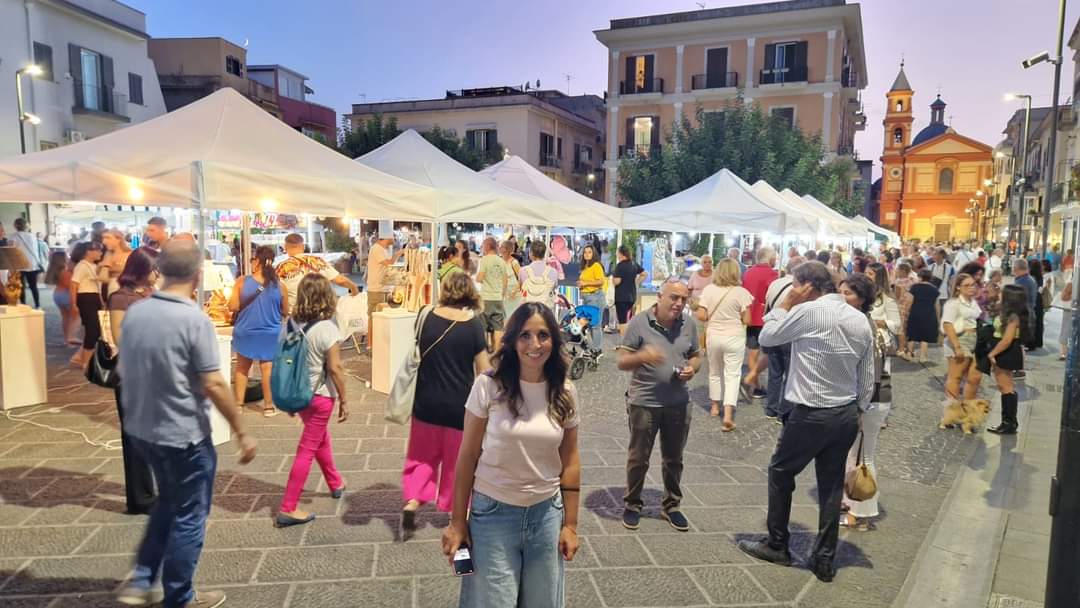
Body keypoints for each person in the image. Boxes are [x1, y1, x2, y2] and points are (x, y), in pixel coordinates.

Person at [115, 240, 256, 608]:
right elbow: (213, 383)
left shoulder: (136, 313)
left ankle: (144, 577)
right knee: (190, 517)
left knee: (167, 501)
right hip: (183, 435)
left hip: (143, 430)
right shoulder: (194, 320)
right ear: (197, 275)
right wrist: (241, 430)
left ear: (159, 272)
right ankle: (179, 596)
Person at [736, 261, 874, 583]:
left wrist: (786, 303)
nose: (791, 290)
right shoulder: (860, 321)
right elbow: (867, 375)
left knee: (781, 472)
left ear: (807, 287)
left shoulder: (809, 312)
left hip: (811, 412)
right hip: (845, 412)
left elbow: (767, 337)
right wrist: (859, 409)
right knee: (830, 486)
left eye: (795, 285)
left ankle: (777, 544)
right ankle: (824, 559)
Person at [441, 303, 581, 607]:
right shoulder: (489, 386)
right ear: (512, 340)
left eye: (543, 335)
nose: (534, 345)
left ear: (554, 341)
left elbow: (570, 460)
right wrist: (457, 522)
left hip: (546, 516)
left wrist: (570, 524)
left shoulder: (565, 392)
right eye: (525, 335)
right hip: (493, 515)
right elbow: (467, 457)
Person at [402, 273, 490, 537]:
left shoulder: (425, 316)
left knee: (420, 456)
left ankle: (413, 500)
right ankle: (455, 510)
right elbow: (483, 371)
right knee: (457, 462)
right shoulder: (473, 325)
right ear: (470, 293)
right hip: (459, 408)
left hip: (425, 403)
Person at [617, 280, 702, 532]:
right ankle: (632, 504)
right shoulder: (640, 322)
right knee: (638, 457)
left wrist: (692, 369)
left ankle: (671, 506)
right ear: (660, 296)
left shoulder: (689, 324)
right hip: (644, 402)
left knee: (674, 458)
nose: (678, 304)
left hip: (678, 402)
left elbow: (697, 355)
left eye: (683, 299)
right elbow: (621, 360)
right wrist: (643, 356)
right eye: (673, 297)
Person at [275, 274, 349, 528]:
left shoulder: (290, 324)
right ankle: (288, 507)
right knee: (307, 449)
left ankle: (335, 482)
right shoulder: (327, 328)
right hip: (320, 396)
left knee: (319, 439)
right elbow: (336, 368)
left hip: (299, 393)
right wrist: (344, 399)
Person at [107, 248, 159, 515]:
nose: (156, 274)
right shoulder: (120, 298)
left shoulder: (151, 293)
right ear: (140, 270)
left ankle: (152, 491)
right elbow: (119, 338)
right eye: (153, 269)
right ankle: (141, 498)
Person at [837, 273, 887, 530]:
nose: (842, 297)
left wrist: (860, 406)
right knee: (853, 454)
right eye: (840, 291)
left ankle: (861, 514)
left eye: (848, 293)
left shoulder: (862, 326)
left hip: (869, 399)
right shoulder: (866, 322)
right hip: (873, 397)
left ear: (862, 299)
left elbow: (871, 371)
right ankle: (850, 499)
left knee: (863, 458)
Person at [229, 246, 288, 418]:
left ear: (256, 261)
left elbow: (233, 306)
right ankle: (268, 407)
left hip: (245, 331)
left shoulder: (241, 281)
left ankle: (238, 405)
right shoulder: (280, 285)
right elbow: (285, 310)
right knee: (267, 370)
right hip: (270, 333)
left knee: (241, 368)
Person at [695, 258, 752, 429]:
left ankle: (714, 407)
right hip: (734, 337)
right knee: (733, 375)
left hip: (714, 337)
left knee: (714, 372)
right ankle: (727, 415)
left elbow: (702, 316)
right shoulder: (741, 292)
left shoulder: (709, 290)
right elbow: (747, 319)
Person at [277, 233, 359, 314]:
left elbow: (276, 292)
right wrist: (354, 288)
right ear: (303, 246)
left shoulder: (281, 267)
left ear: (285, 247)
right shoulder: (317, 261)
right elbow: (341, 280)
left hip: (295, 314)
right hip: (318, 313)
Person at [986, 285, 1030, 435]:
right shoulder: (1011, 314)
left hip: (1006, 351)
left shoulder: (1013, 317)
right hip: (1005, 350)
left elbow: (1006, 340)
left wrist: (992, 353)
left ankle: (1008, 423)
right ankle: (1009, 422)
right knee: (1006, 385)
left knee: (1006, 386)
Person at [865, 263, 901, 430]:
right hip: (864, 342)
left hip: (881, 344)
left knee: (882, 381)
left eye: (870, 274)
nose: (867, 276)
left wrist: (880, 322)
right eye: (866, 273)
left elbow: (896, 325)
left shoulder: (888, 300)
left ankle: (881, 415)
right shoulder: (863, 296)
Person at [742, 247, 779, 399]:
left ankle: (755, 385)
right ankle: (753, 380)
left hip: (749, 316)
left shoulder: (748, 272)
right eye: (775, 257)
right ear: (770, 259)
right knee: (771, 353)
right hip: (765, 317)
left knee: (752, 352)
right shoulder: (772, 274)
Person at [941, 273, 983, 401]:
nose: (972, 288)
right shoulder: (953, 303)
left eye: (973, 285)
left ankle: (967, 410)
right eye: (967, 285)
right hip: (960, 338)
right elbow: (947, 324)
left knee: (974, 377)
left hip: (975, 338)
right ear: (958, 287)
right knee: (956, 376)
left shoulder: (973, 302)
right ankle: (951, 410)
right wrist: (957, 346)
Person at [69, 241, 104, 368]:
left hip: (93, 297)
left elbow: (98, 287)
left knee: (96, 329)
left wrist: (101, 302)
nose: (100, 253)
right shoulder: (82, 266)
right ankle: (86, 362)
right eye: (98, 250)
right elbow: (74, 284)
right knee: (92, 330)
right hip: (85, 297)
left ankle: (81, 357)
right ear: (89, 251)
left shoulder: (94, 266)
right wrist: (73, 303)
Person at [477, 237, 509, 351]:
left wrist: (479, 279)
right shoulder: (501, 261)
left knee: (483, 326)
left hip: (486, 298)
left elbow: (479, 278)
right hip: (498, 298)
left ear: (487, 246)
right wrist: (502, 294)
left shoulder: (485, 260)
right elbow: (505, 281)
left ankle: (485, 352)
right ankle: (497, 352)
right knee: (498, 327)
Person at [902, 269, 940, 363]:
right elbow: (937, 305)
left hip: (916, 313)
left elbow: (910, 300)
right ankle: (923, 356)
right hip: (929, 314)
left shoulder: (915, 287)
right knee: (925, 336)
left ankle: (909, 353)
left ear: (920, 277)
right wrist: (938, 318)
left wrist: (906, 311)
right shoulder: (934, 289)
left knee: (912, 333)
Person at [577, 244, 606, 355]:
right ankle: (595, 348)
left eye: (589, 252)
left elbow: (601, 281)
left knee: (595, 325)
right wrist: (581, 285)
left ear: (593, 254)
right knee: (589, 325)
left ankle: (596, 350)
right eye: (585, 252)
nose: (587, 254)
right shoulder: (585, 267)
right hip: (586, 297)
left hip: (595, 296)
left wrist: (586, 283)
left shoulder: (596, 266)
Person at [44, 250, 79, 345]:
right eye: (66, 256)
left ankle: (66, 338)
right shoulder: (66, 272)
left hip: (57, 294)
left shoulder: (55, 271)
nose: (68, 257)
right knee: (74, 317)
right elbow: (71, 286)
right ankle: (71, 337)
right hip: (66, 294)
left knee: (65, 318)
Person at [610, 245, 646, 335]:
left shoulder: (620, 266)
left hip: (621, 297)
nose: (616, 254)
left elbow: (617, 281)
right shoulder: (633, 264)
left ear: (621, 254)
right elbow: (644, 274)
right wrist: (636, 282)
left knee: (622, 322)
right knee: (628, 319)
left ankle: (624, 343)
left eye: (617, 252)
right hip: (632, 297)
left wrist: (613, 280)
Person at [11, 218, 45, 308]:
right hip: (32, 265)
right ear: (26, 226)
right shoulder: (32, 236)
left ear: (15, 226)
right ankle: (38, 305)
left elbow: (11, 251)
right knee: (33, 286)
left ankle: (23, 305)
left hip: (19, 265)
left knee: (21, 286)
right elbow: (35, 251)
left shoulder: (13, 236)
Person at [519, 240, 559, 310]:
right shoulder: (553, 272)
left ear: (530, 253)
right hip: (545, 310)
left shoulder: (523, 271)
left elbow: (520, 288)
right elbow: (554, 287)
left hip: (527, 310)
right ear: (544, 254)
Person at [99, 228, 133, 298]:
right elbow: (103, 278)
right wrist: (104, 266)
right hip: (113, 289)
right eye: (104, 238)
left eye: (108, 238)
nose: (104, 241)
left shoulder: (131, 254)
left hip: (129, 290)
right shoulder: (108, 255)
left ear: (118, 239)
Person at [893, 262, 915, 360]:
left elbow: (897, 296)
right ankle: (906, 347)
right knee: (905, 327)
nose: (896, 271)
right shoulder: (912, 281)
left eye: (898, 269)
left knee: (900, 328)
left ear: (903, 271)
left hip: (901, 306)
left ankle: (901, 348)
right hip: (910, 305)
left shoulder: (898, 282)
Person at [500, 240, 522, 320]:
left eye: (502, 246)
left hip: (513, 294)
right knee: (504, 317)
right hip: (504, 293)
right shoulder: (500, 261)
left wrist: (514, 291)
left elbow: (521, 278)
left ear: (507, 249)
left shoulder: (514, 262)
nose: (500, 248)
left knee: (512, 317)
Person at [1053, 274, 1073, 361]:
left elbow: (1064, 296)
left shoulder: (1071, 282)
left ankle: (1065, 353)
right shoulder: (1072, 283)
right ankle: (1064, 352)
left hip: (1071, 310)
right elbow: (1064, 296)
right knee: (1067, 330)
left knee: (1066, 330)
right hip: (1071, 310)